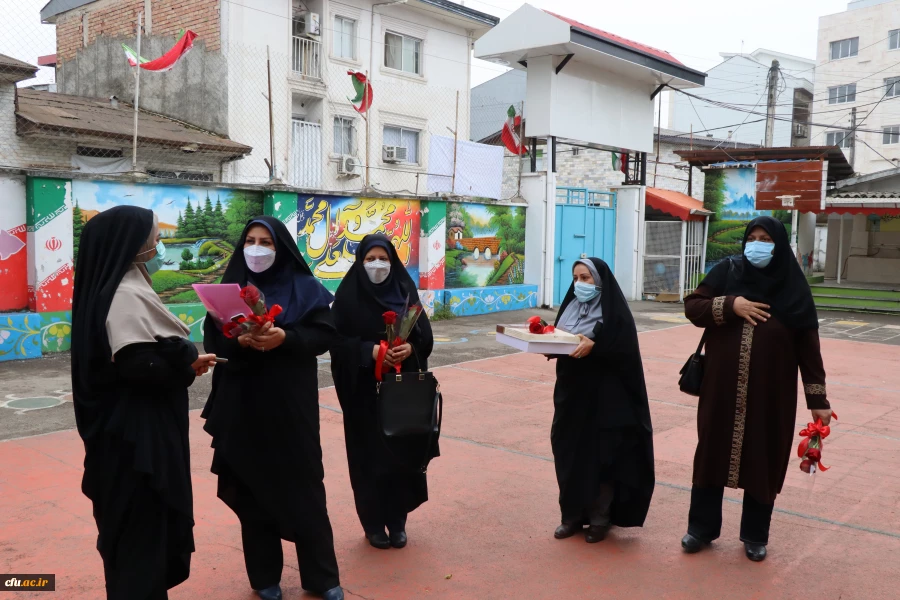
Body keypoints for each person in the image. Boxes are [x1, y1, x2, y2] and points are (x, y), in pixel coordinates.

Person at [71, 206, 216, 600]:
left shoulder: (118, 286)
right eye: (151, 236)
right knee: (141, 539)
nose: (157, 244)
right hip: (137, 446)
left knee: (138, 541)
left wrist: (184, 362)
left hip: (127, 438)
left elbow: (135, 360)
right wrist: (184, 367)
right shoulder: (121, 296)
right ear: (129, 244)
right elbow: (141, 366)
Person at [201, 217, 344, 600]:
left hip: (289, 403)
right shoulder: (226, 289)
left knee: (305, 487)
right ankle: (264, 577)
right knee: (251, 487)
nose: (257, 248)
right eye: (250, 240)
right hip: (242, 403)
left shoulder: (305, 287)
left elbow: (324, 333)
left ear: (281, 247)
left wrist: (287, 337)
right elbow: (213, 339)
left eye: (266, 241)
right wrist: (242, 343)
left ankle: (322, 577)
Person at [681, 216, 832, 562]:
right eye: (753, 237)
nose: (757, 244)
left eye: (766, 238)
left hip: (772, 395)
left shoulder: (793, 286)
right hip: (721, 390)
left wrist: (818, 398)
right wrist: (730, 305)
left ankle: (754, 535)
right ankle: (701, 529)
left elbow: (809, 346)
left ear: (778, 245)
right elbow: (693, 306)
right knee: (711, 455)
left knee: (764, 458)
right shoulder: (727, 272)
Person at [330, 234, 437, 550]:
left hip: (400, 396)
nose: (378, 265)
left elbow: (425, 339)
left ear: (393, 262)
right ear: (360, 262)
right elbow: (335, 342)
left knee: (400, 456)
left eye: (384, 258)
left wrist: (408, 350)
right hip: (362, 395)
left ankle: (397, 520)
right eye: (370, 259)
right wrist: (371, 352)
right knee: (368, 460)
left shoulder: (405, 292)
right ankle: (373, 523)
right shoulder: (348, 297)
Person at [550, 258, 655, 543]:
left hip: (605, 398)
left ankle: (599, 518)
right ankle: (570, 516)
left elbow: (624, 350)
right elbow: (559, 341)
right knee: (569, 451)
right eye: (576, 278)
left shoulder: (615, 314)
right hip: (571, 394)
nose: (580, 284)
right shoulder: (571, 307)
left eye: (586, 278)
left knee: (601, 455)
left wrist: (596, 346)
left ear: (600, 281)